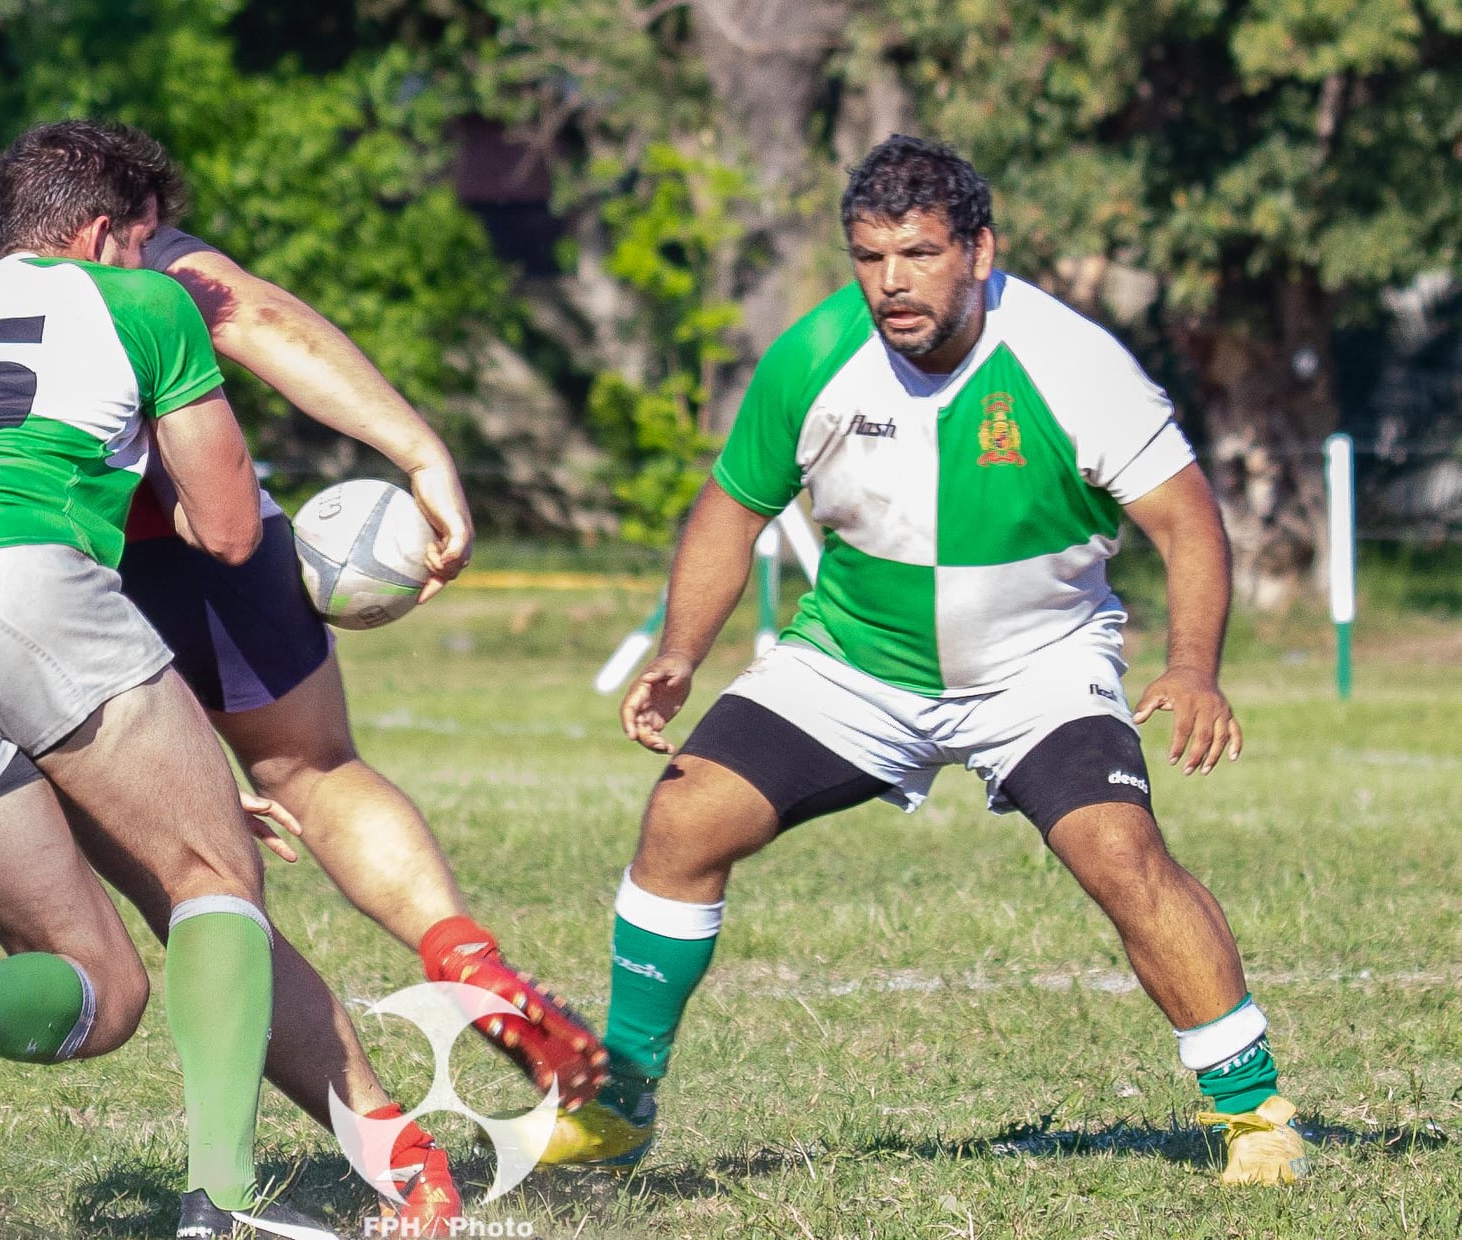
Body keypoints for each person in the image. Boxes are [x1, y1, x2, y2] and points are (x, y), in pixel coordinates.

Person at [541, 135, 1309, 1187]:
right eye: (867, 256)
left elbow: (1186, 522)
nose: (890, 282)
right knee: (683, 813)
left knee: (1116, 850)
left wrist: (1193, 664)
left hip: (1038, 666)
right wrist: (681, 651)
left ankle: (1250, 1108)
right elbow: (731, 507)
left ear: (978, 249)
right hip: (854, 665)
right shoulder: (813, 356)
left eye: (916, 252)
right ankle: (618, 1103)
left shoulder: (1072, 362)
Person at [0, 140, 606, 1109]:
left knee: (197, 892)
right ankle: (462, 954)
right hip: (194, 532)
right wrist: (416, 451)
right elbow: (254, 316)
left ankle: (391, 1146)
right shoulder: (94, 261)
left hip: (19, 590)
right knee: (314, 769)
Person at [0, 122, 344, 1240]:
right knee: (213, 872)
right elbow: (220, 528)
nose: (149, 263)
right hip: (13, 574)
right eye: (143, 242)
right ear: (109, 232)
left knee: (100, 989)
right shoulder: (142, 302)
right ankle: (223, 1199)